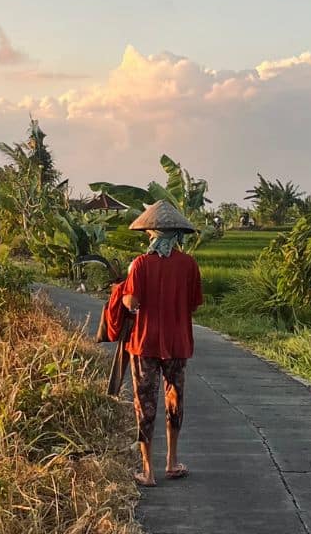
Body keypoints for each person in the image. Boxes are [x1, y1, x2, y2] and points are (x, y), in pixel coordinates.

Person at [121, 200, 203, 487]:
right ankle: (171, 461)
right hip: (178, 342)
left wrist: (122, 294)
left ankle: (148, 471)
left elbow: (131, 303)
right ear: (177, 235)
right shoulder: (189, 265)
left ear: (153, 233)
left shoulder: (140, 264)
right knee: (175, 400)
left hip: (145, 343)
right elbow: (194, 305)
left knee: (145, 404)